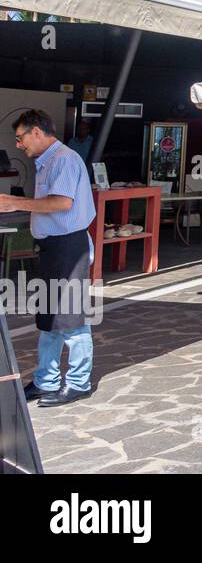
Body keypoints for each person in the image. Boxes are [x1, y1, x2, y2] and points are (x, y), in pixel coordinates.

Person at [0, 110, 98, 407]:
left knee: (71, 318)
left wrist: (14, 202)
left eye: (20, 138)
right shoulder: (47, 162)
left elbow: (61, 202)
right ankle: (46, 380)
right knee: (49, 318)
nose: (18, 145)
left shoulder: (64, 159)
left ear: (37, 132)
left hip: (69, 247)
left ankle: (79, 383)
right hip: (54, 248)